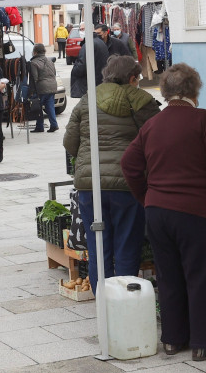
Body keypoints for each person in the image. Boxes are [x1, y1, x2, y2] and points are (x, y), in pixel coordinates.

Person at [121, 63, 206, 361]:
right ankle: (205, 344)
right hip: (197, 211)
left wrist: (147, 198)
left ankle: (172, 339)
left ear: (165, 91)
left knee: (169, 276)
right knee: (203, 276)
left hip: (158, 213)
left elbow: (128, 164)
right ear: (194, 91)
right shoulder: (204, 120)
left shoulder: (152, 124)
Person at [63, 56, 160, 292]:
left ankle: (103, 303)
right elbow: (158, 140)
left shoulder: (87, 100)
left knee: (98, 247)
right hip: (128, 184)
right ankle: (125, 301)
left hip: (90, 184)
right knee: (127, 246)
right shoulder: (141, 101)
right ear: (131, 78)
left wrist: (89, 158)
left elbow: (69, 142)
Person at [69, 28, 109, 98]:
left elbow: (81, 66)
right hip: (98, 81)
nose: (80, 31)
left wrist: (74, 70)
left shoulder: (89, 44)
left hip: (88, 84)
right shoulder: (100, 42)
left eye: (82, 29)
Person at [29, 43, 58, 133]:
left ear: (35, 52)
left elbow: (35, 78)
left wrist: (31, 90)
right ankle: (54, 124)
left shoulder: (34, 63)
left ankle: (40, 126)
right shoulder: (50, 61)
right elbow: (54, 73)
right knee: (50, 107)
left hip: (41, 88)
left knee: (38, 107)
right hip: (52, 86)